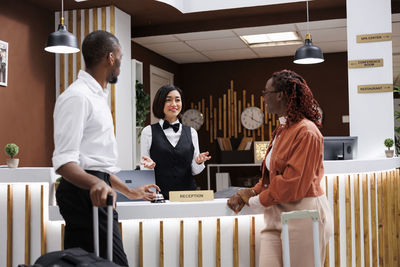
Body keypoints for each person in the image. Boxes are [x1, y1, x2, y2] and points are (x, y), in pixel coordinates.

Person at [53, 30, 159, 266]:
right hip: (84, 195)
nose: (120, 62)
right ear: (111, 58)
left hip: (94, 190)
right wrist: (96, 183)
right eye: (120, 56)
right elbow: (64, 162)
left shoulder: (97, 96)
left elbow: (95, 164)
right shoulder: (77, 97)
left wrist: (130, 191)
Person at [227, 69, 333, 267]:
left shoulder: (307, 132)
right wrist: (249, 192)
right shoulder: (282, 130)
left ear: (280, 95)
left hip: (303, 214)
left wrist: (255, 200)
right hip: (275, 214)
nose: (264, 98)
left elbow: (292, 185)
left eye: (266, 93)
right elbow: (271, 177)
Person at [140, 85, 211, 199]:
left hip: (188, 196)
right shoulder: (148, 132)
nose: (174, 104)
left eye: (177, 100)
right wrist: (148, 167)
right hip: (159, 196)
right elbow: (144, 166)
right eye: (168, 100)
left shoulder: (192, 132)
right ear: (160, 103)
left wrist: (198, 162)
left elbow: (195, 171)